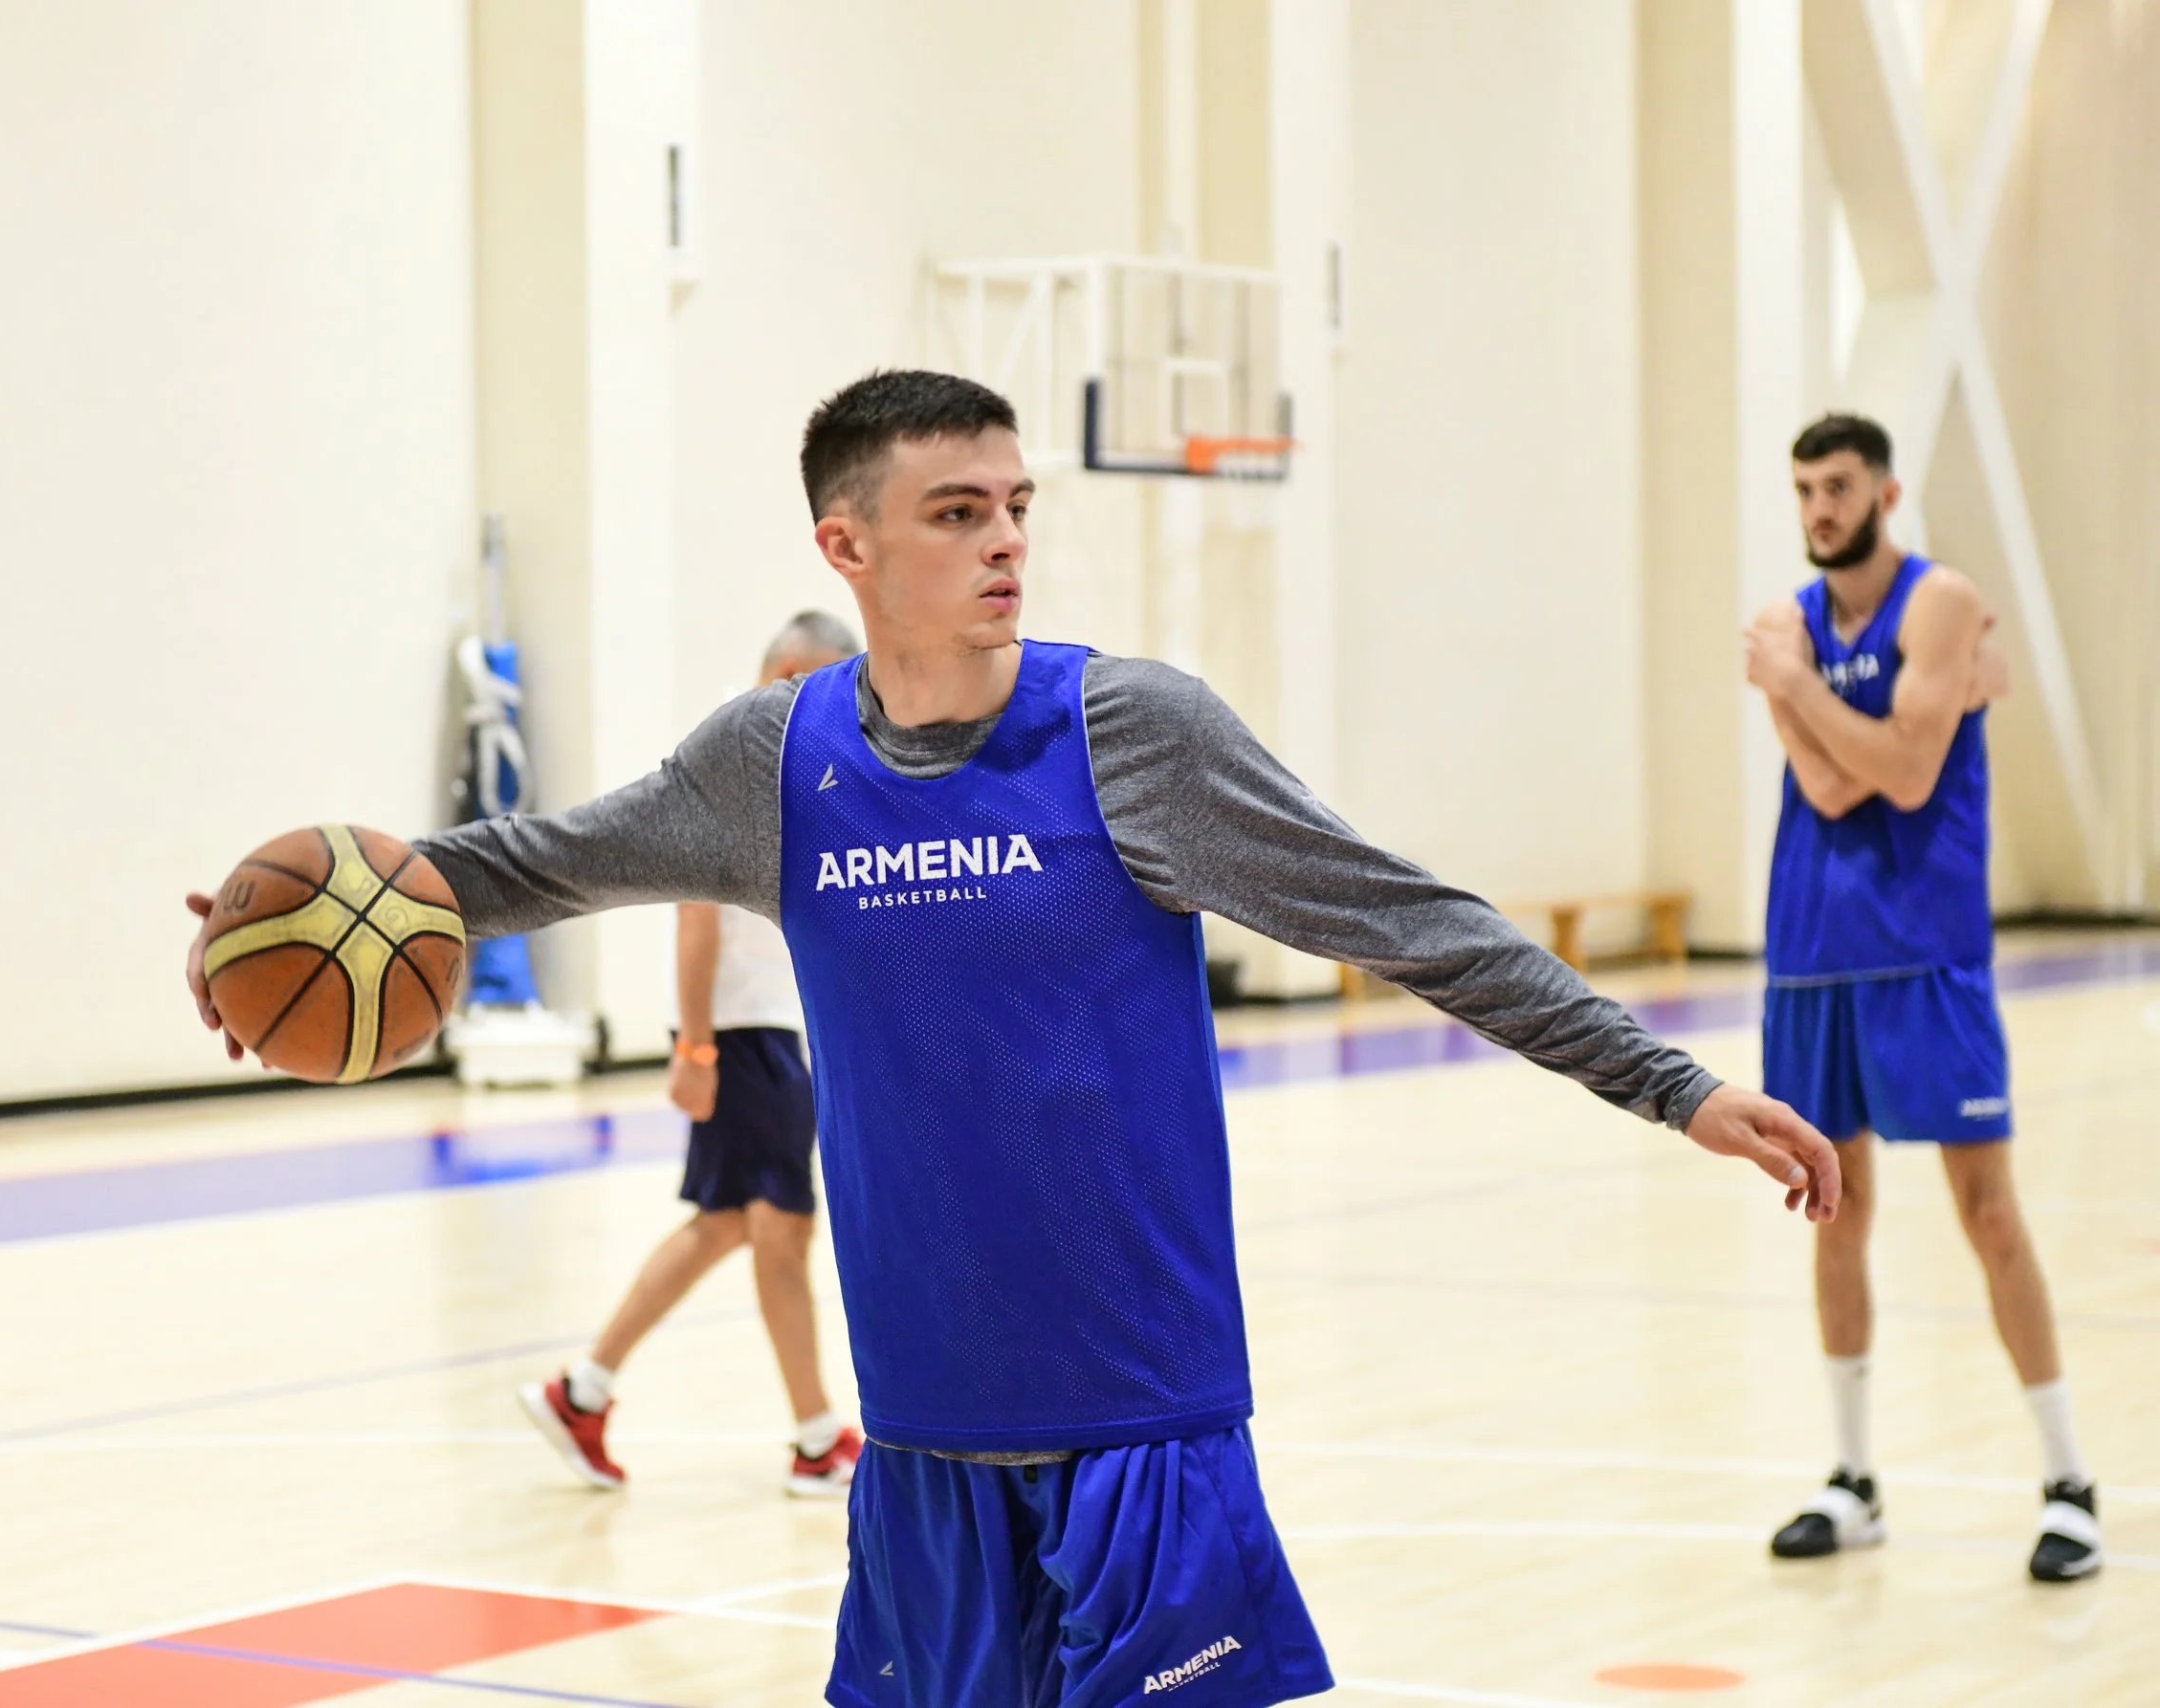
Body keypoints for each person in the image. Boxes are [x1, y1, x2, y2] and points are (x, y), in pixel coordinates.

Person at [189, 370, 1838, 1708]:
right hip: (923, 1440)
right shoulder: (775, 766)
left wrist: (1672, 1082)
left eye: (1016, 508)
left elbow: (1407, 920)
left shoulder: (1134, 735)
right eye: (956, 512)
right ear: (848, 546)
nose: (1004, 544)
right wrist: (274, 929)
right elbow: (513, 869)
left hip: (1144, 1421)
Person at [1744, 412, 2099, 1584]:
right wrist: (1850, 719)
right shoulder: (1780, 623)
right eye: (1802, 490)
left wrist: (1805, 693)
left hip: (1926, 952)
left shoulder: (1941, 602)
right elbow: (1829, 785)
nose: (1817, 510)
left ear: (1884, 492)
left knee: (1987, 1212)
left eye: (1836, 487)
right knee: (1832, 1213)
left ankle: (2067, 1481)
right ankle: (1851, 1479)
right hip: (1809, 951)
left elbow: (1901, 774)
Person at [518, 612, 867, 1498]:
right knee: (779, 1229)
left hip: (766, 1029)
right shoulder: (734, 759)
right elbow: (694, 915)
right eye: (832, 680)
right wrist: (699, 1045)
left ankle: (583, 1391)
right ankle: (816, 1438)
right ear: (788, 673)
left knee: (729, 1224)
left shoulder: (794, 761)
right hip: (744, 1035)